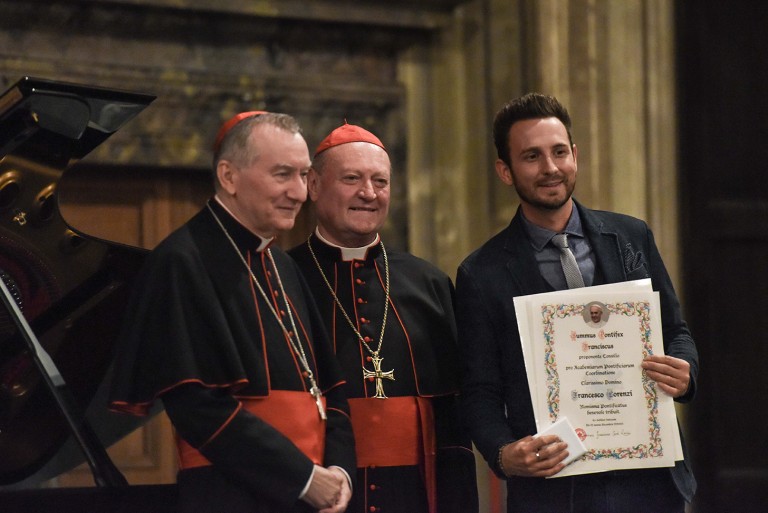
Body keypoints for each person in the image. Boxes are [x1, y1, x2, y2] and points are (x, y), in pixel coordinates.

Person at [455, 93, 698, 512]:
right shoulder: (482, 272)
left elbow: (675, 331)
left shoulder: (630, 236)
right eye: (531, 156)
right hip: (553, 492)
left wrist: (685, 372)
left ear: (575, 156)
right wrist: (501, 452)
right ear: (505, 171)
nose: (550, 168)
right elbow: (479, 389)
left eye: (559, 152)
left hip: (650, 483)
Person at [109, 112, 356, 513]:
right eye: (282, 174)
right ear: (228, 176)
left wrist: (341, 471)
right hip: (231, 493)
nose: (298, 192)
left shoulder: (283, 265)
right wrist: (304, 478)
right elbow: (196, 405)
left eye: (303, 175)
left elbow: (329, 388)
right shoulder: (182, 261)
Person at [289, 123, 478, 513]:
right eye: (352, 179)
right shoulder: (282, 278)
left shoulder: (429, 282)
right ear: (313, 185)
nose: (369, 193)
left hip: (416, 494)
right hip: (315, 492)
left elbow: (453, 418)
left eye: (381, 181)